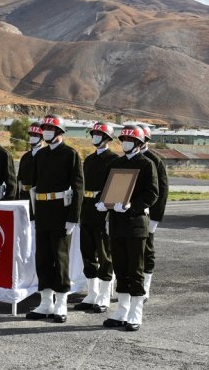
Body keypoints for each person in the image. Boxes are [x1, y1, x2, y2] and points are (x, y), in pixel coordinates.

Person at [97, 125, 158, 331]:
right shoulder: (116, 163)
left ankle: (135, 313)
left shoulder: (147, 164)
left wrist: (132, 206)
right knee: (120, 268)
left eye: (129, 140)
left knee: (136, 269)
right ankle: (122, 310)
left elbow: (152, 193)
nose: (125, 142)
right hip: (116, 224)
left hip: (135, 225)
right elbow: (106, 189)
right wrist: (101, 202)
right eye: (122, 139)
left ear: (139, 143)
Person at [26, 114, 84, 323]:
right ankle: (45, 302)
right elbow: (34, 187)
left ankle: (60, 303)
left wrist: (73, 217)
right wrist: (33, 215)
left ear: (59, 132)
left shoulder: (70, 154)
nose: (46, 132)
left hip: (61, 213)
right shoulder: (40, 155)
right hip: (42, 211)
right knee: (42, 258)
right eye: (44, 129)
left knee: (60, 259)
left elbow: (78, 187)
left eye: (50, 128)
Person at [75, 122, 118, 313]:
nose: (95, 137)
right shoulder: (90, 159)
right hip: (87, 210)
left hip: (103, 211)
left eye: (99, 134)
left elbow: (115, 188)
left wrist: (108, 209)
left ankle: (104, 295)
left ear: (107, 138)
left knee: (104, 255)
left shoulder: (113, 160)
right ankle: (91, 293)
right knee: (88, 253)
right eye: (94, 134)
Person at [140, 126, 168, 303]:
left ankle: (145, 286)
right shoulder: (126, 160)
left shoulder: (154, 160)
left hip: (148, 214)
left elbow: (162, 191)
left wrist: (156, 218)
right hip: (127, 214)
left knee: (147, 250)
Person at [17, 121, 44, 216]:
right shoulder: (25, 157)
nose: (32, 137)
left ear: (42, 137)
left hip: (39, 199)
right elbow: (19, 180)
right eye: (31, 134)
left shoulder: (46, 156)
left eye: (36, 135)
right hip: (24, 197)